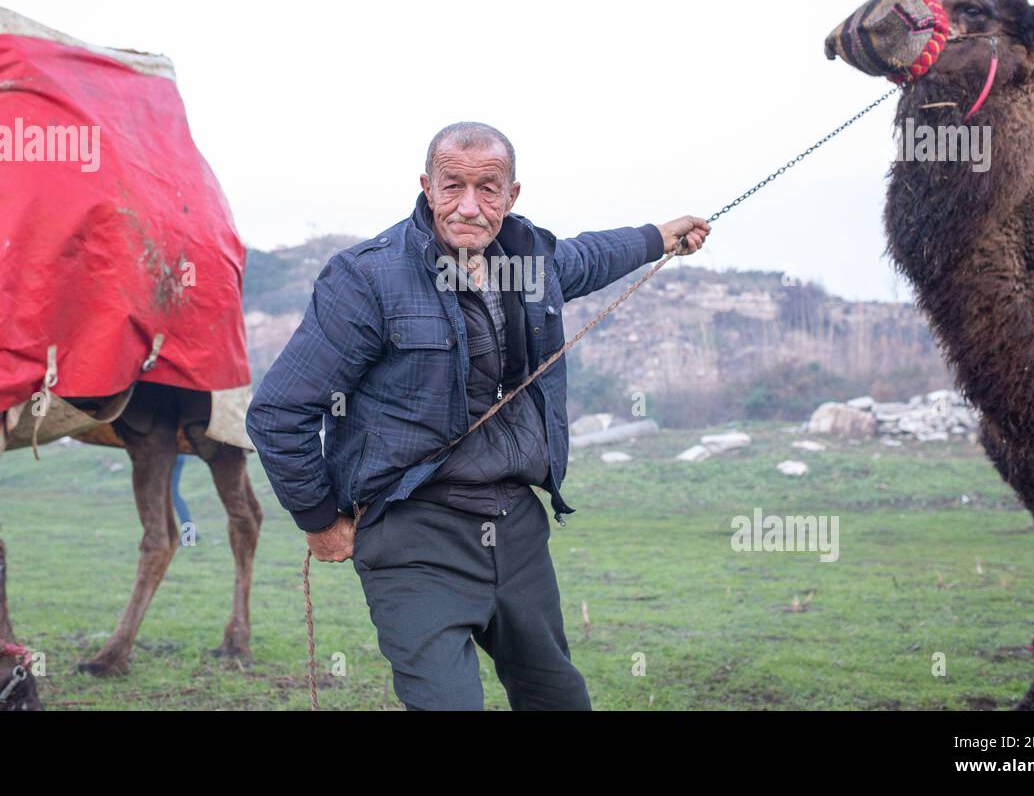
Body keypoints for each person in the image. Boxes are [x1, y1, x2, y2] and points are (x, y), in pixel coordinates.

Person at [246, 121, 709, 709]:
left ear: (511, 195)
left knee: (559, 698)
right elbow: (278, 412)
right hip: (414, 536)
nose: (469, 207)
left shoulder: (528, 260)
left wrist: (658, 237)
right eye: (452, 186)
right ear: (426, 187)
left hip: (516, 530)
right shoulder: (367, 277)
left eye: (488, 188)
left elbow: (589, 257)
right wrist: (318, 519)